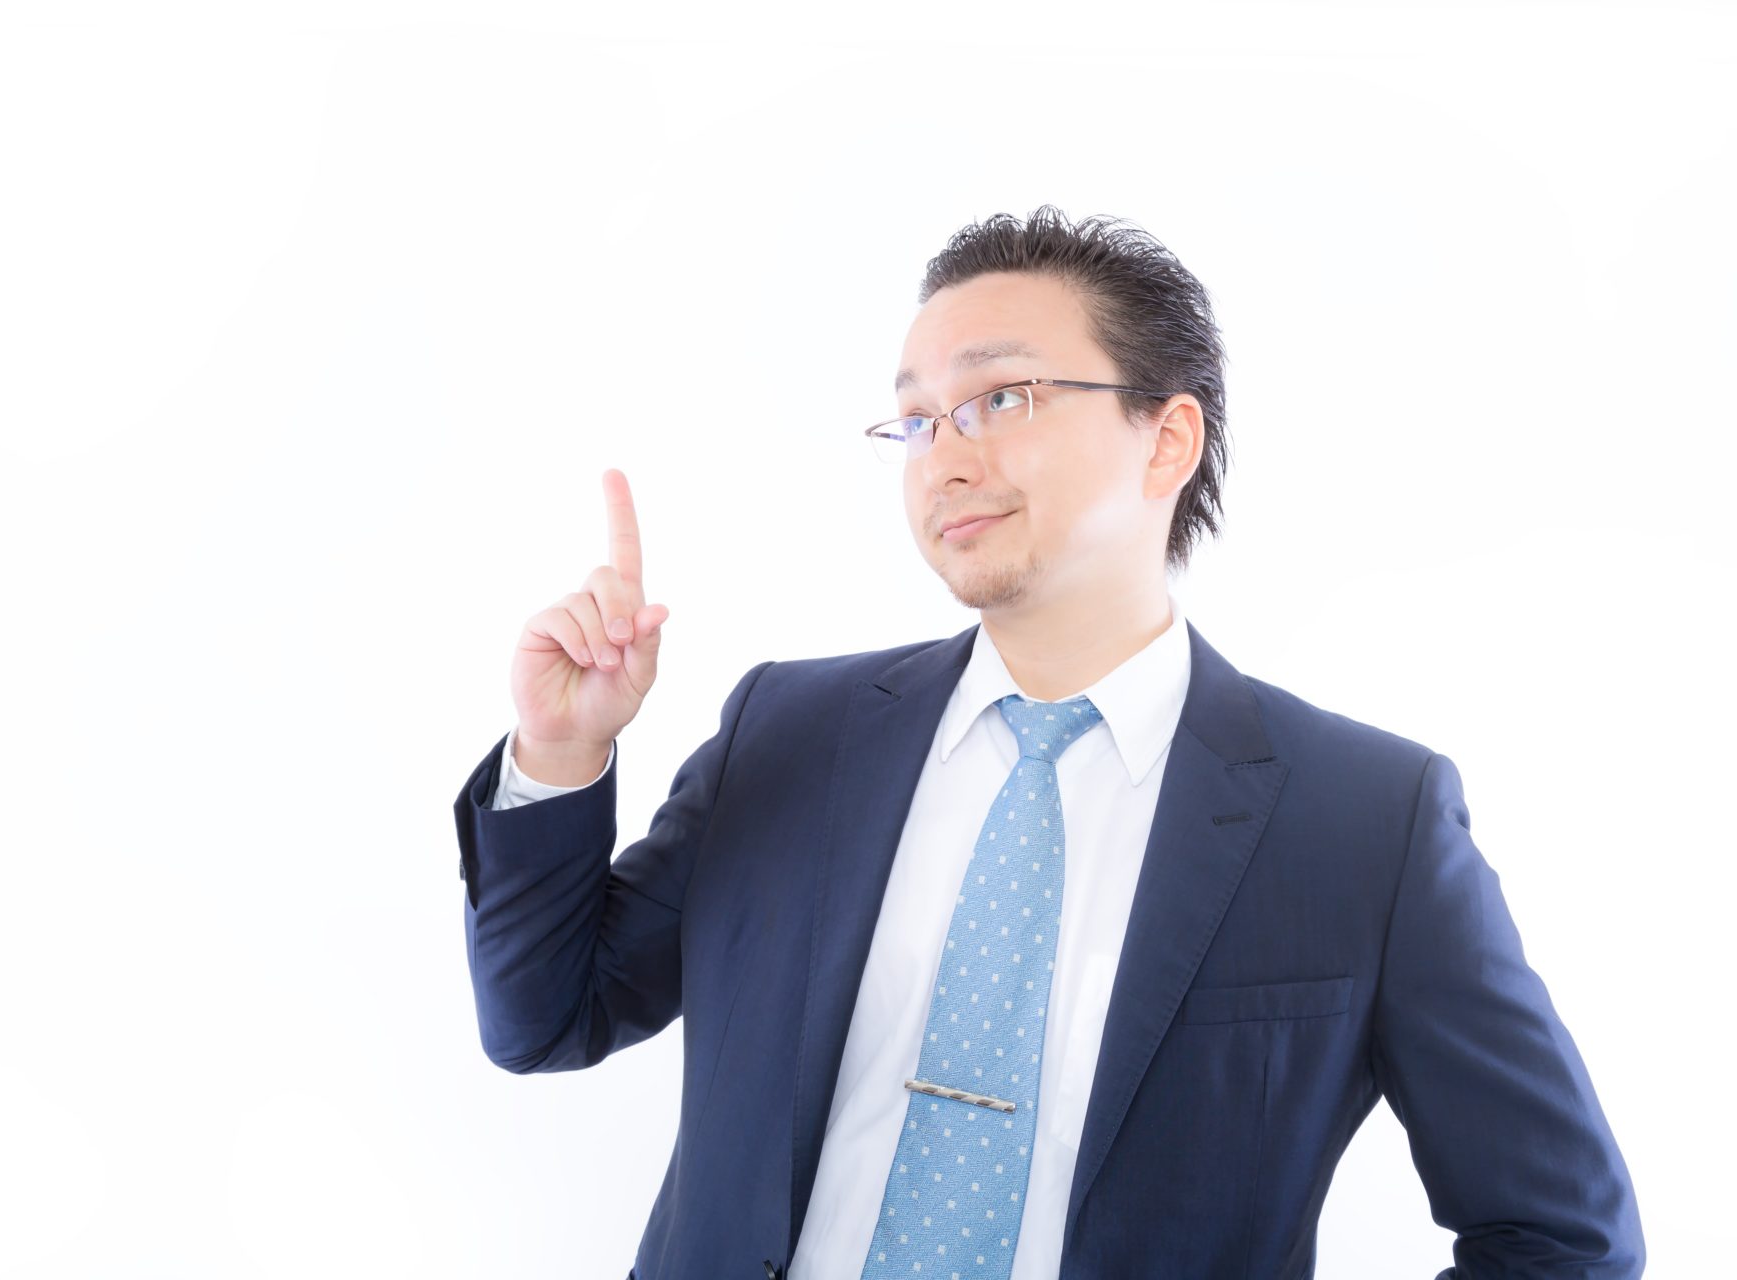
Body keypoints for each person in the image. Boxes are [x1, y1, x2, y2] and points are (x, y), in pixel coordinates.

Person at [451, 207, 1644, 1279]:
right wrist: (559, 753)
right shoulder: (792, 730)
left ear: (1166, 440)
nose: (945, 456)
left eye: (1001, 398)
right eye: (917, 420)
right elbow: (545, 1017)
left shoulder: (1365, 818)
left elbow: (1565, 1238)